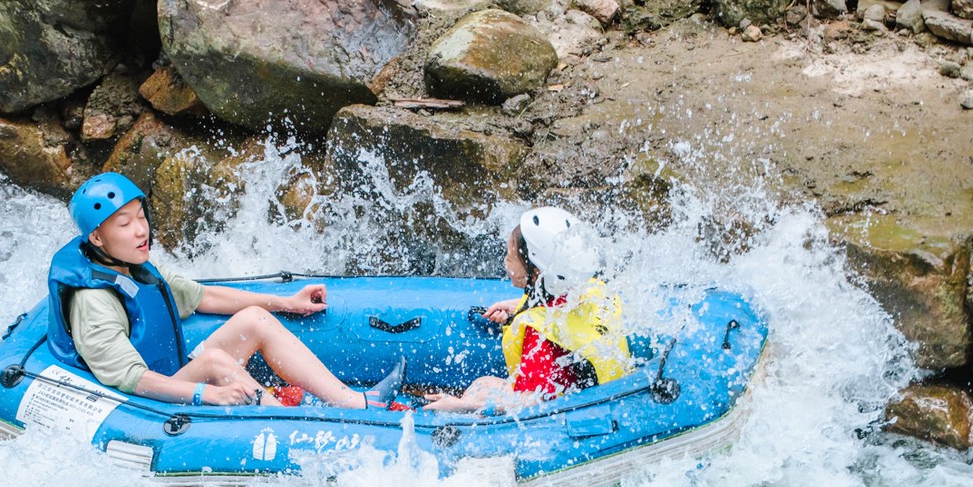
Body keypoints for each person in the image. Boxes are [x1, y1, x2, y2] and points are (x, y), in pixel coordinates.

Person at [47, 173, 405, 409]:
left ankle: (355, 402)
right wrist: (210, 392)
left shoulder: (133, 267)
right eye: (125, 224)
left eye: (141, 217)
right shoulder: (93, 300)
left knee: (254, 319)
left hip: (172, 373)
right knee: (216, 362)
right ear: (97, 237)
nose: (141, 231)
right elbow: (131, 379)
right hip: (145, 402)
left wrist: (286, 302)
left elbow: (204, 297)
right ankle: (286, 424)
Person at [424, 207, 632, 413]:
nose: (505, 261)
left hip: (560, 413)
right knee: (485, 382)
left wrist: (460, 406)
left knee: (479, 389)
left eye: (510, 256)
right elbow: (560, 308)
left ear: (537, 273)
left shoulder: (538, 336)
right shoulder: (593, 291)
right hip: (597, 393)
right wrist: (519, 306)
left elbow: (534, 402)